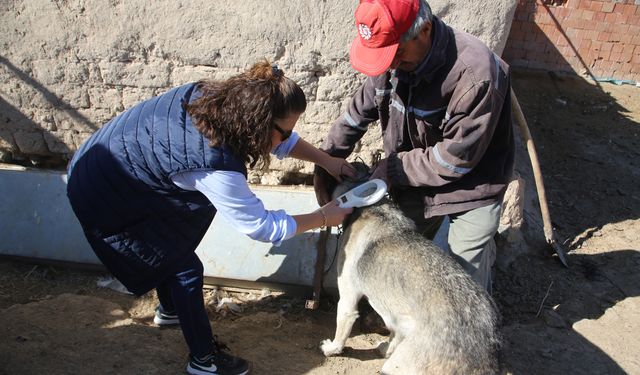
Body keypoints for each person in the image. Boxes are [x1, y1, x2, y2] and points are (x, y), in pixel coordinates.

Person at [66, 60, 355, 375]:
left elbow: (281, 139)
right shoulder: (213, 162)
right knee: (184, 268)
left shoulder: (215, 100)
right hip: (104, 191)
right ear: (259, 124)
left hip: (110, 163)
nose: (285, 138)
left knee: (170, 247)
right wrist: (324, 217)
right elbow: (260, 226)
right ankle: (204, 361)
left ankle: (172, 310)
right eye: (284, 132)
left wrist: (327, 161)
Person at [314, 0, 515, 293]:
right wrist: (327, 160)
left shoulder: (475, 76)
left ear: (425, 30)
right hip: (414, 179)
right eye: (385, 57)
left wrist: (392, 168)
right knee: (399, 254)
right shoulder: (390, 62)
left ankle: (472, 332)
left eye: (398, 54)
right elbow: (356, 115)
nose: (391, 65)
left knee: (464, 283)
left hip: (473, 186)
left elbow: (454, 159)